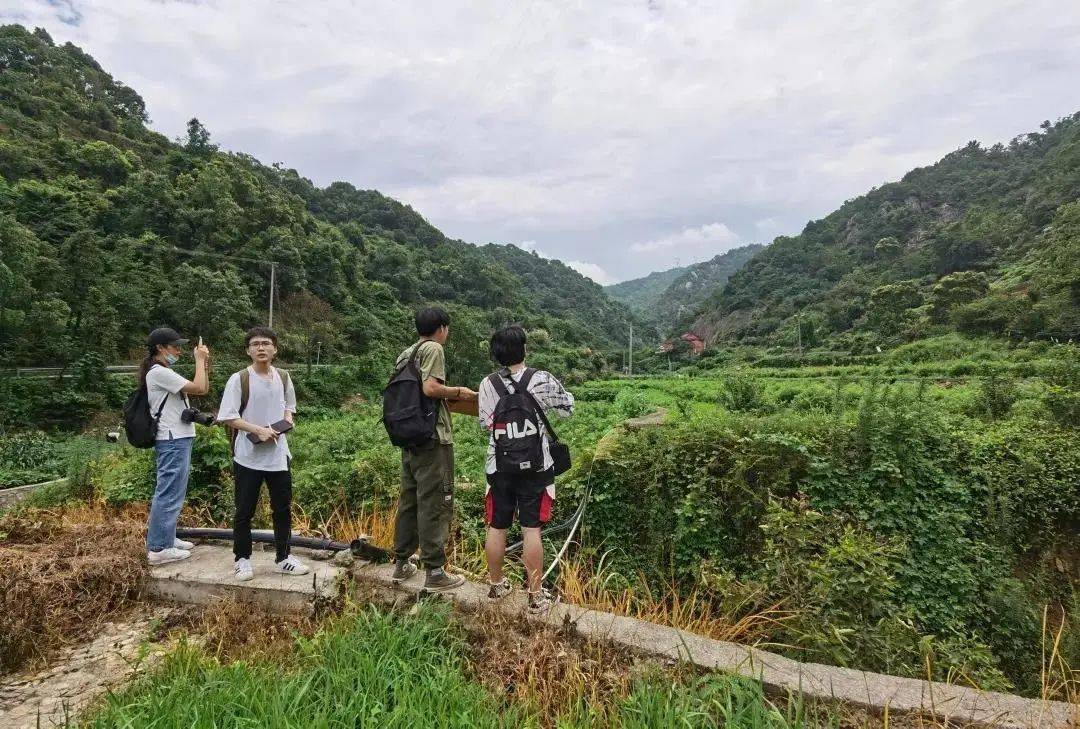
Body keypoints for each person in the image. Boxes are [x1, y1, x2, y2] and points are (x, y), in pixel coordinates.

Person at [478, 324, 574, 613]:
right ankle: (535, 595)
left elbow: (486, 423)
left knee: (497, 526)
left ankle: (496, 587)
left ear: (496, 354)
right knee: (531, 529)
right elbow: (567, 409)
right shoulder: (541, 379)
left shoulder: (487, 384)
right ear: (524, 349)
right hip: (536, 466)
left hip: (499, 466)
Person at [390, 307, 478, 591]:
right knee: (436, 502)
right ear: (442, 328)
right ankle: (435, 571)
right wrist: (458, 392)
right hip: (432, 438)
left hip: (409, 436)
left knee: (410, 499)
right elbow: (430, 389)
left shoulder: (407, 353)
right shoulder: (434, 349)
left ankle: (402, 564)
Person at [216, 327, 309, 581]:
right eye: (255, 344)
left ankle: (283, 557)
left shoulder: (284, 377)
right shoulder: (239, 379)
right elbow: (227, 416)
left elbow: (290, 407)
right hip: (247, 455)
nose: (261, 348)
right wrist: (258, 430)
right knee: (244, 510)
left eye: (266, 343)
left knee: (282, 508)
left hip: (278, 456)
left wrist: (285, 423)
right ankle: (242, 559)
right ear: (248, 351)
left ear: (275, 349)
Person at [142, 327, 210, 565]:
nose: (178, 351)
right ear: (160, 348)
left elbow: (202, 387)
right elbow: (199, 388)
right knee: (168, 492)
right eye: (175, 346)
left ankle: (167, 537)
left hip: (177, 437)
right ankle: (159, 548)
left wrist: (203, 364)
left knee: (175, 490)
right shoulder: (159, 372)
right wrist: (199, 360)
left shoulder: (164, 371)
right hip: (171, 439)